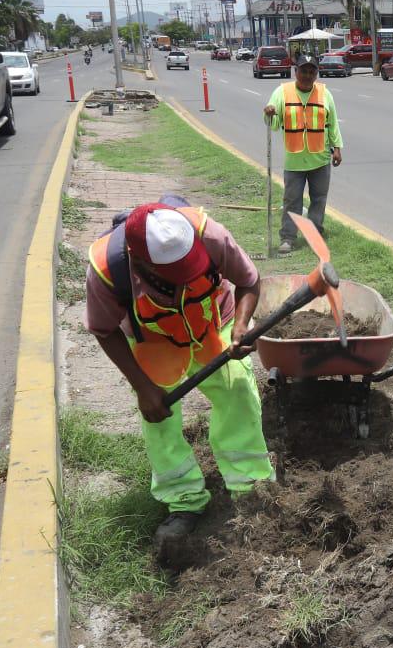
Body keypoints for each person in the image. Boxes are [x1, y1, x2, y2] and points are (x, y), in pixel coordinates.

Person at [85, 199, 274, 561]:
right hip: (153, 340)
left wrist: (240, 326)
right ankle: (183, 500)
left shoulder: (210, 236)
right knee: (159, 414)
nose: (187, 276)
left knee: (236, 388)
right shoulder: (107, 269)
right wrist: (143, 388)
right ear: (139, 262)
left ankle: (250, 487)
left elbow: (249, 280)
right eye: (176, 274)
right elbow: (103, 329)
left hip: (211, 323)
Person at [262, 55, 343, 253]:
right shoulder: (282, 92)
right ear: (295, 71)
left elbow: (332, 123)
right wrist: (270, 112)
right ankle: (288, 238)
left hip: (320, 157)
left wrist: (337, 148)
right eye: (303, 71)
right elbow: (272, 123)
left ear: (316, 73)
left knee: (319, 199)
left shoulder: (325, 93)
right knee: (292, 200)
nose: (307, 75)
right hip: (294, 159)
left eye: (311, 71)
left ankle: (314, 233)